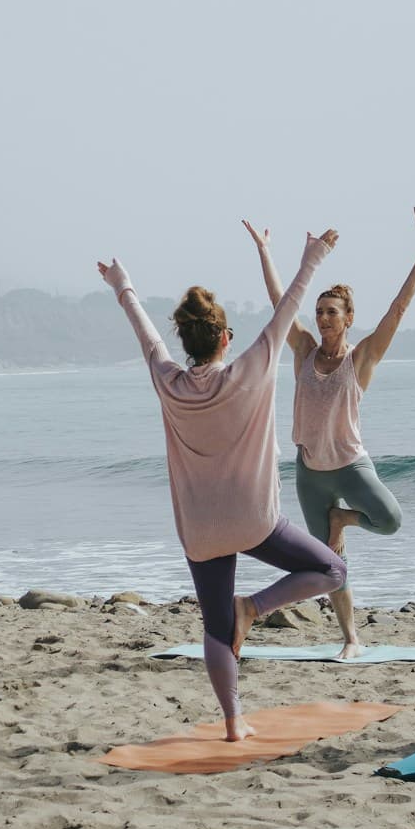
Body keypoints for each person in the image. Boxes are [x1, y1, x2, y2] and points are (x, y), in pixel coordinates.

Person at [98, 230, 348, 742]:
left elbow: (145, 334)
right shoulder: (249, 371)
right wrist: (313, 257)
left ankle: (233, 724)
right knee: (332, 569)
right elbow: (288, 310)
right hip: (255, 521)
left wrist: (122, 285)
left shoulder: (167, 381)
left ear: (187, 343)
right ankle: (253, 608)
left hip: (201, 530)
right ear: (225, 338)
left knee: (214, 629)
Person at [243, 219, 415, 658]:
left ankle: (344, 520)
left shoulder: (363, 358)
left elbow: (397, 310)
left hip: (352, 467)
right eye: (319, 311)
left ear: (349, 318)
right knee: (332, 567)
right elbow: (282, 303)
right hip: (310, 473)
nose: (321, 318)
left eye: (331, 312)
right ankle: (351, 638)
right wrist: (264, 250)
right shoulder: (301, 350)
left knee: (390, 520)